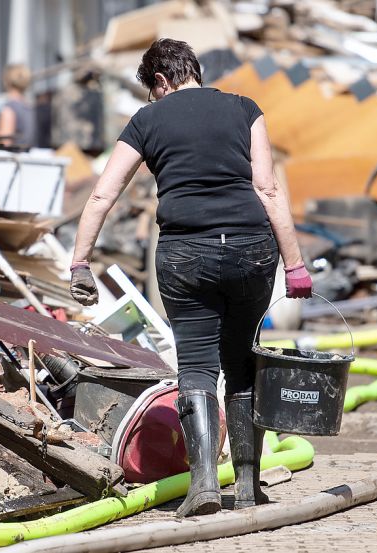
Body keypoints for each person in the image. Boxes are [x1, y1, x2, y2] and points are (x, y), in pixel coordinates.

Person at [68, 39, 313, 518]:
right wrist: (295, 263)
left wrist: (80, 262)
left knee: (197, 365)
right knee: (243, 361)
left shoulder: (147, 120)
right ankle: (247, 485)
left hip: (185, 255)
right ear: (193, 71)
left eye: (151, 91)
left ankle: (203, 482)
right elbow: (266, 187)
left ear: (160, 82)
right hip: (250, 250)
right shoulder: (246, 109)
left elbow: (102, 195)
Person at [0, 64, 37, 149]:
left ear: (7, 81)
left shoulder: (9, 108)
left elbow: (5, 142)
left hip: (15, 159)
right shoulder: (28, 107)